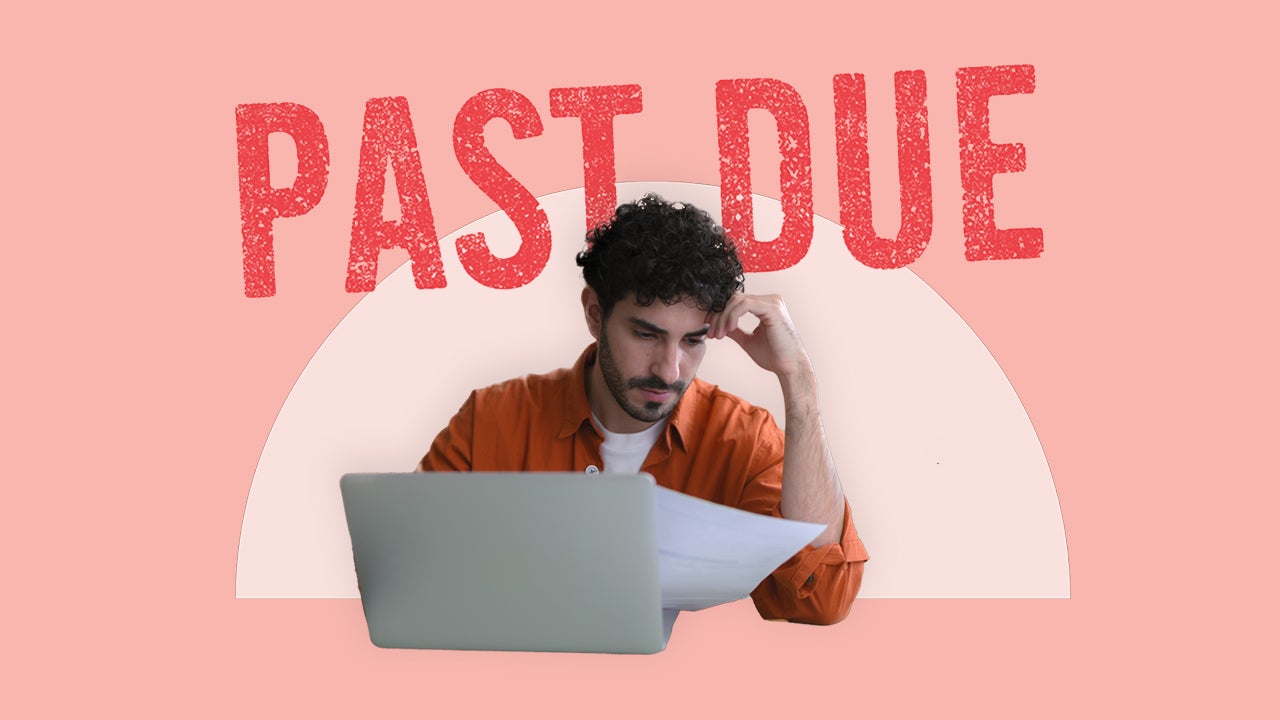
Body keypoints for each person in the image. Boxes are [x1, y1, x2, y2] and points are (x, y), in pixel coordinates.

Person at [417, 194, 868, 624]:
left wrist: (801, 388)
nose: (669, 370)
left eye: (693, 340)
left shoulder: (744, 441)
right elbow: (415, 570)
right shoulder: (491, 420)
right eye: (647, 335)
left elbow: (822, 599)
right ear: (595, 314)